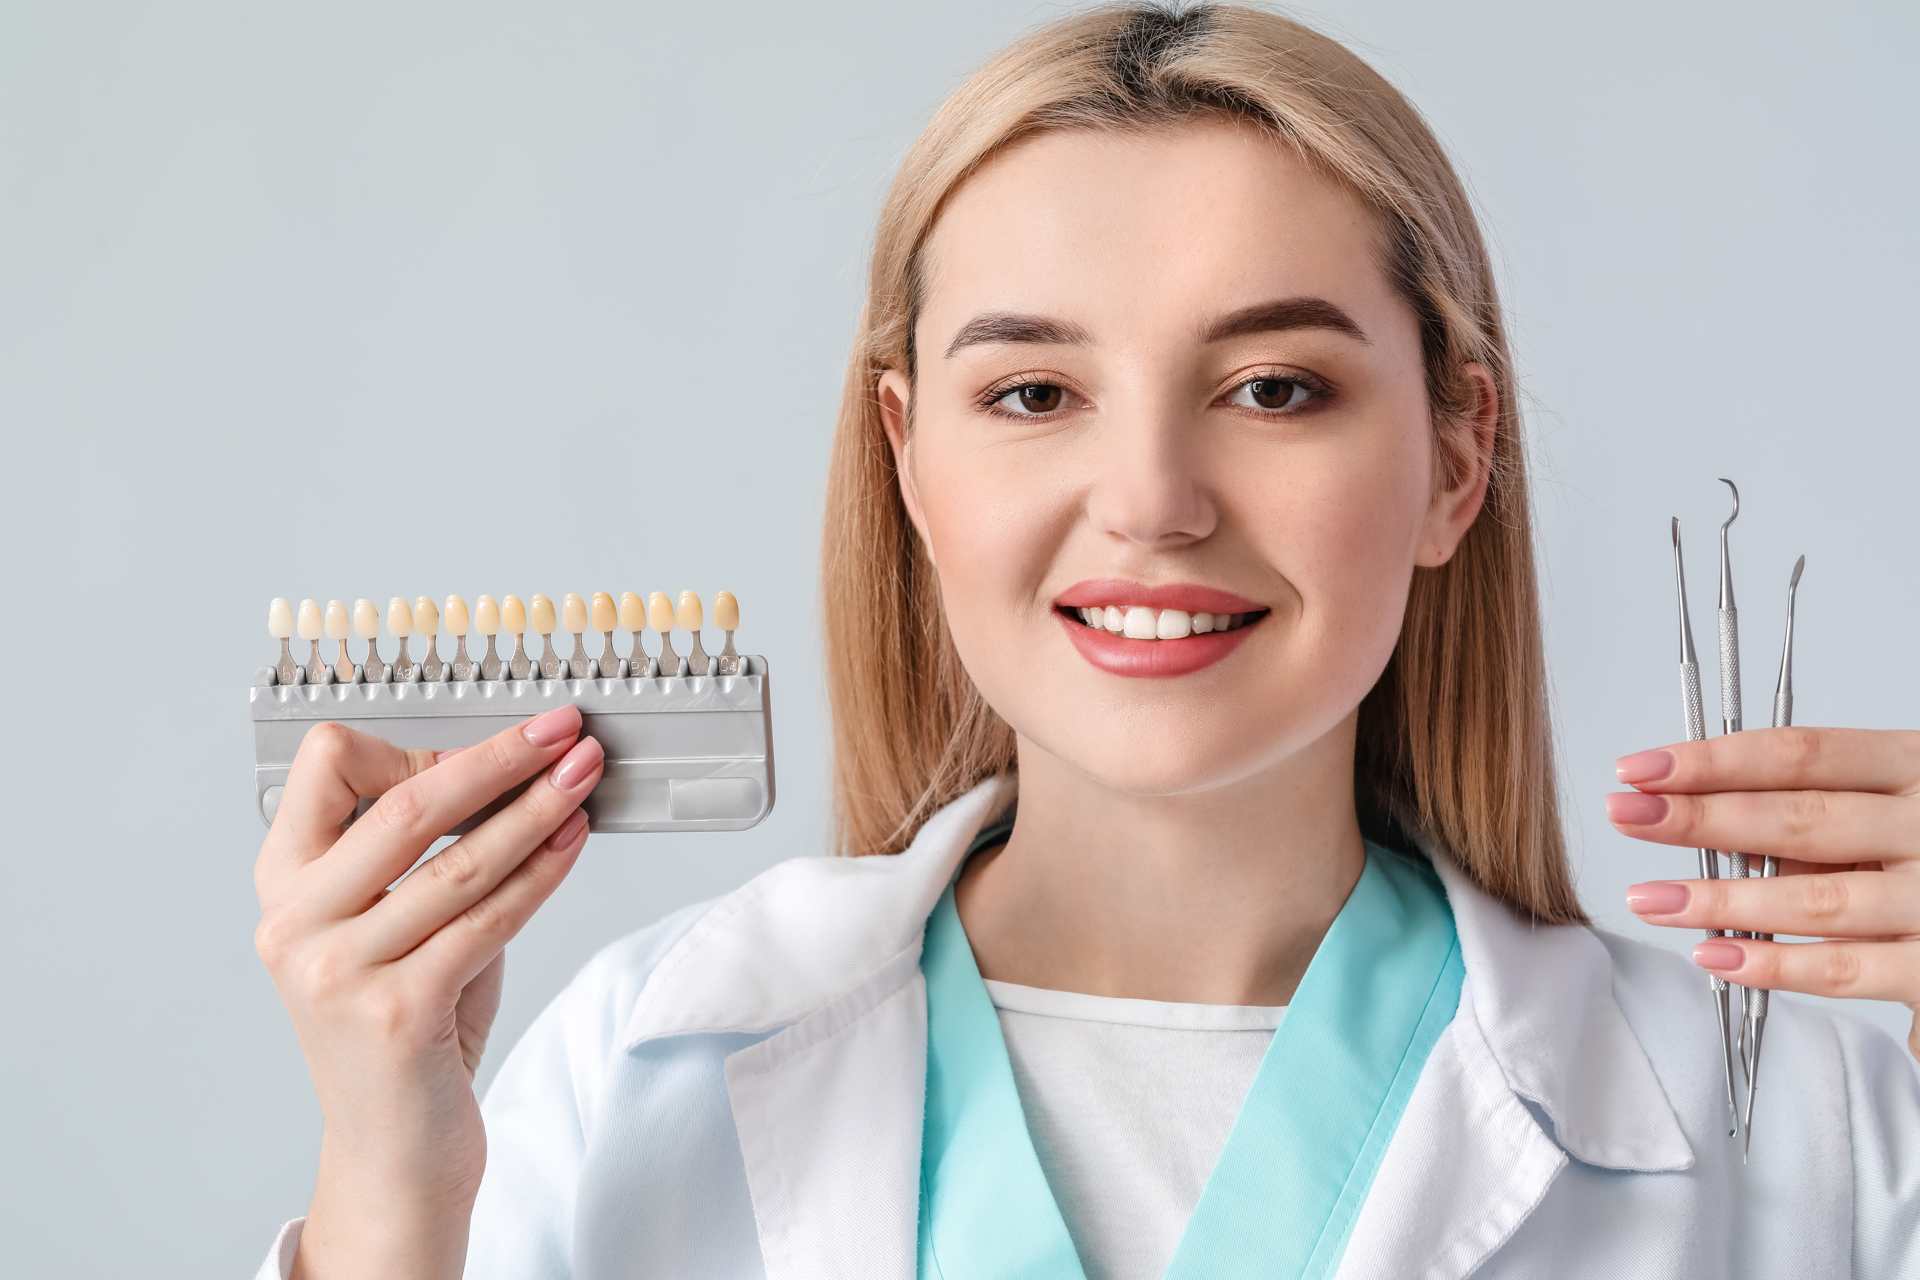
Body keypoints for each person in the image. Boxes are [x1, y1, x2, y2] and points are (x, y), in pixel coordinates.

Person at [249, 4, 1920, 1277]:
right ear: (908, 456)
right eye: (1034, 393)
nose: (1152, 501)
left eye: (1276, 388)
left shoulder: (1797, 1132)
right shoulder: (629, 1077)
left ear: (1457, 455)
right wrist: (388, 1192)